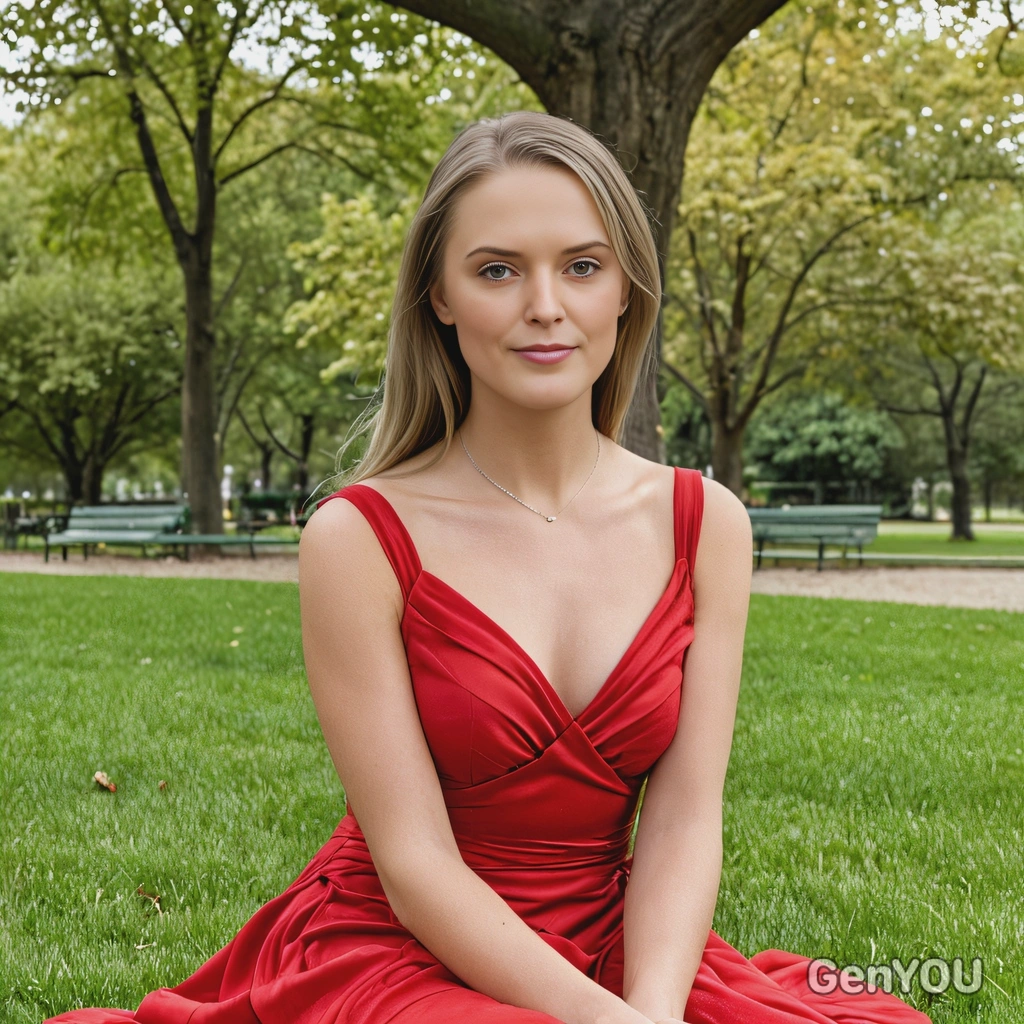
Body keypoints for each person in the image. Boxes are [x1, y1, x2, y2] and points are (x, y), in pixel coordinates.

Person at [46, 111, 933, 1024]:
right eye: (497, 270)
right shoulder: (359, 537)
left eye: (582, 266)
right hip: (401, 944)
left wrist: (653, 1012)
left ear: (625, 289)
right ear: (439, 294)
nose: (544, 305)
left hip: (617, 941)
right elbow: (414, 859)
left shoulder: (705, 525)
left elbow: (682, 821)